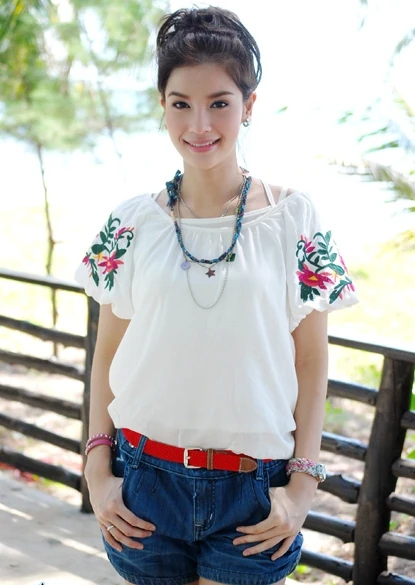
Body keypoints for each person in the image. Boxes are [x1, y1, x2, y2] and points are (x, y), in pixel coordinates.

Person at [75, 6, 358, 585]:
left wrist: (302, 487)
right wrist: (97, 472)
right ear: (162, 105)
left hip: (253, 492)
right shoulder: (131, 223)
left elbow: (311, 360)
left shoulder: (292, 217)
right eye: (181, 103)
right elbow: (107, 356)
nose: (199, 124)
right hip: (144, 483)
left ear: (249, 106)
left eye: (220, 103)